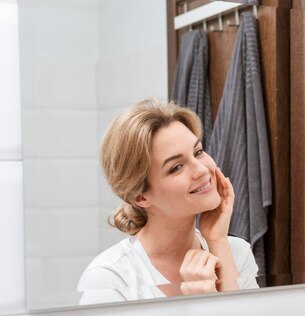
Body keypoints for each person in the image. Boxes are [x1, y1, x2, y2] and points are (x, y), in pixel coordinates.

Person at [77, 98, 259, 305]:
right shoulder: (110, 279)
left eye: (198, 152)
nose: (202, 169)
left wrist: (218, 242)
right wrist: (199, 306)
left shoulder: (235, 252)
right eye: (176, 167)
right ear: (141, 197)